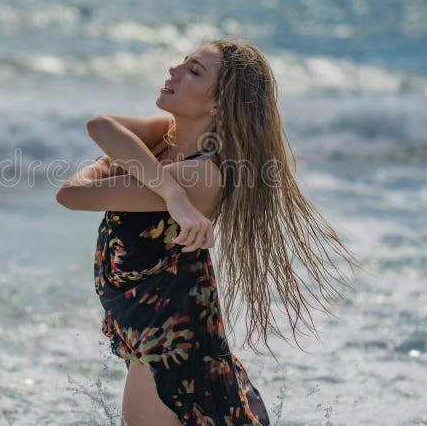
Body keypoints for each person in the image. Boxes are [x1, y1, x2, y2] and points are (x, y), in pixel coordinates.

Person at [56, 38, 363, 425]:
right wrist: (168, 193)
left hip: (171, 356)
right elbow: (99, 125)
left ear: (218, 104)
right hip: (158, 342)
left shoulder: (203, 173)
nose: (174, 71)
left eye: (193, 71)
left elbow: (72, 193)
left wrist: (123, 165)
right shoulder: (164, 138)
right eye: (183, 62)